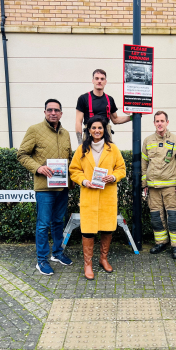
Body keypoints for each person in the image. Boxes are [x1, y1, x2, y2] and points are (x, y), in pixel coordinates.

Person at [17, 99, 73, 276]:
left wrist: (70, 179)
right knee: (43, 225)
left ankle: (57, 253)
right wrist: (38, 168)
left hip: (62, 188)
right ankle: (41, 260)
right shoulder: (34, 130)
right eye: (50, 110)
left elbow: (69, 158)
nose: (53, 113)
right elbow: (22, 155)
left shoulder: (65, 133)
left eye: (56, 110)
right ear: (45, 112)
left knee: (58, 222)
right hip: (44, 188)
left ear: (61, 113)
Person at [69, 115, 126, 280]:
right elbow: (74, 170)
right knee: (87, 231)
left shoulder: (112, 149)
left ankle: (103, 258)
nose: (97, 130)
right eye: (93, 128)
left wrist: (113, 177)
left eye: (100, 127)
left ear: (104, 130)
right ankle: (88, 264)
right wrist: (84, 181)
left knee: (107, 228)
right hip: (89, 195)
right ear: (88, 130)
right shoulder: (81, 149)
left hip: (107, 195)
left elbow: (121, 168)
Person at [142, 110, 176, 259]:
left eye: (162, 121)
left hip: (171, 188)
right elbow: (144, 164)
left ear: (167, 122)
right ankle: (161, 242)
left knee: (173, 217)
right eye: (157, 121)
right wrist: (144, 184)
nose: (159, 124)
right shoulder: (148, 141)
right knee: (156, 217)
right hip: (153, 188)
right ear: (154, 123)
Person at [75, 69, 132, 144]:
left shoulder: (110, 99)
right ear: (93, 81)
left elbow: (115, 119)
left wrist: (133, 117)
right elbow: (78, 121)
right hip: (89, 137)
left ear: (105, 82)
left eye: (102, 79)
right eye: (97, 78)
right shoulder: (83, 98)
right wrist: (80, 143)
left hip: (106, 136)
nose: (99, 81)